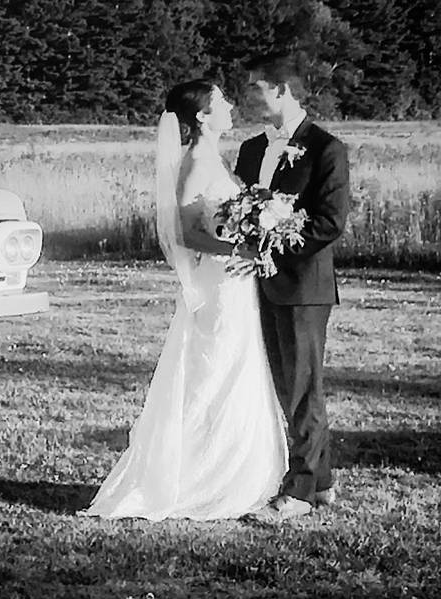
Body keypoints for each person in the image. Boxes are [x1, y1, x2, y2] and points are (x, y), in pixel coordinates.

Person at [79, 80, 288, 521]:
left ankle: (237, 472)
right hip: (218, 283)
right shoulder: (195, 163)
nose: (230, 106)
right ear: (202, 118)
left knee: (237, 365)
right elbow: (187, 232)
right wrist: (241, 249)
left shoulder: (214, 158)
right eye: (221, 102)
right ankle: (202, 477)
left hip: (235, 281)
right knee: (215, 370)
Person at [236, 52, 350, 521]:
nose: (248, 96)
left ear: (281, 91)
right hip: (259, 286)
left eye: (256, 88)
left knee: (303, 388)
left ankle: (299, 490)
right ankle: (320, 482)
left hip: (304, 285)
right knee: (286, 387)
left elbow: (329, 222)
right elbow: (239, 208)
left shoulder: (326, 148)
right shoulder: (249, 149)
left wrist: (273, 242)